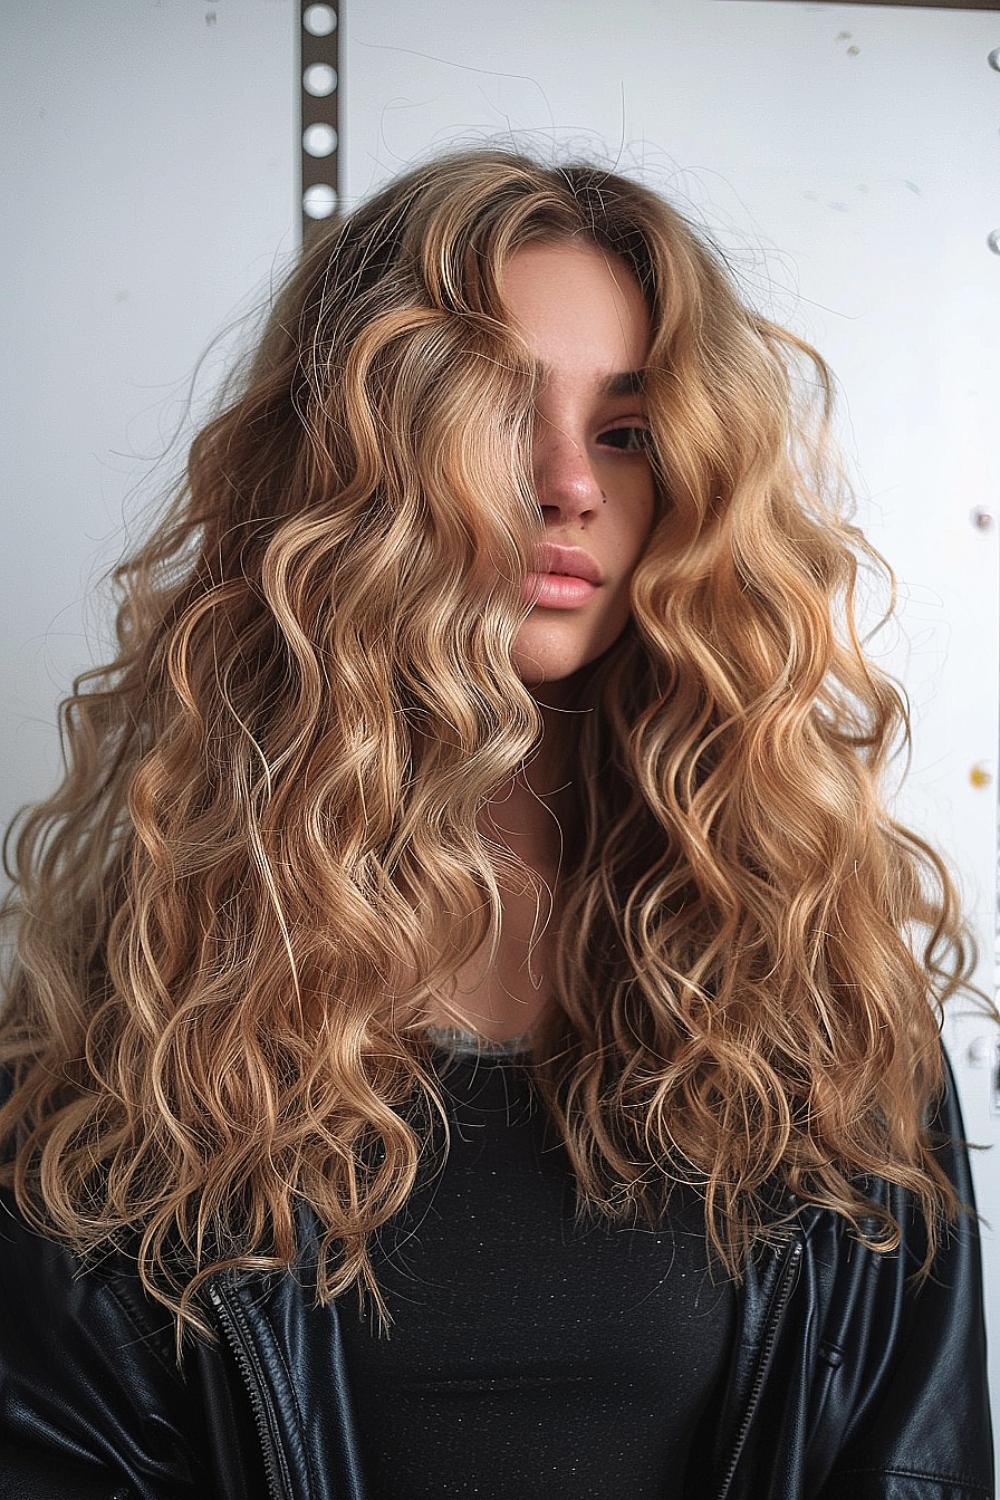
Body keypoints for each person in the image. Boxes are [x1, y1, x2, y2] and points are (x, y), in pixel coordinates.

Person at [0, 148, 992, 1500]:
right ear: (355, 457)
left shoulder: (819, 990)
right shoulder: (141, 1021)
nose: (568, 485)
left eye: (627, 432)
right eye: (495, 412)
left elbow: (913, 1467)